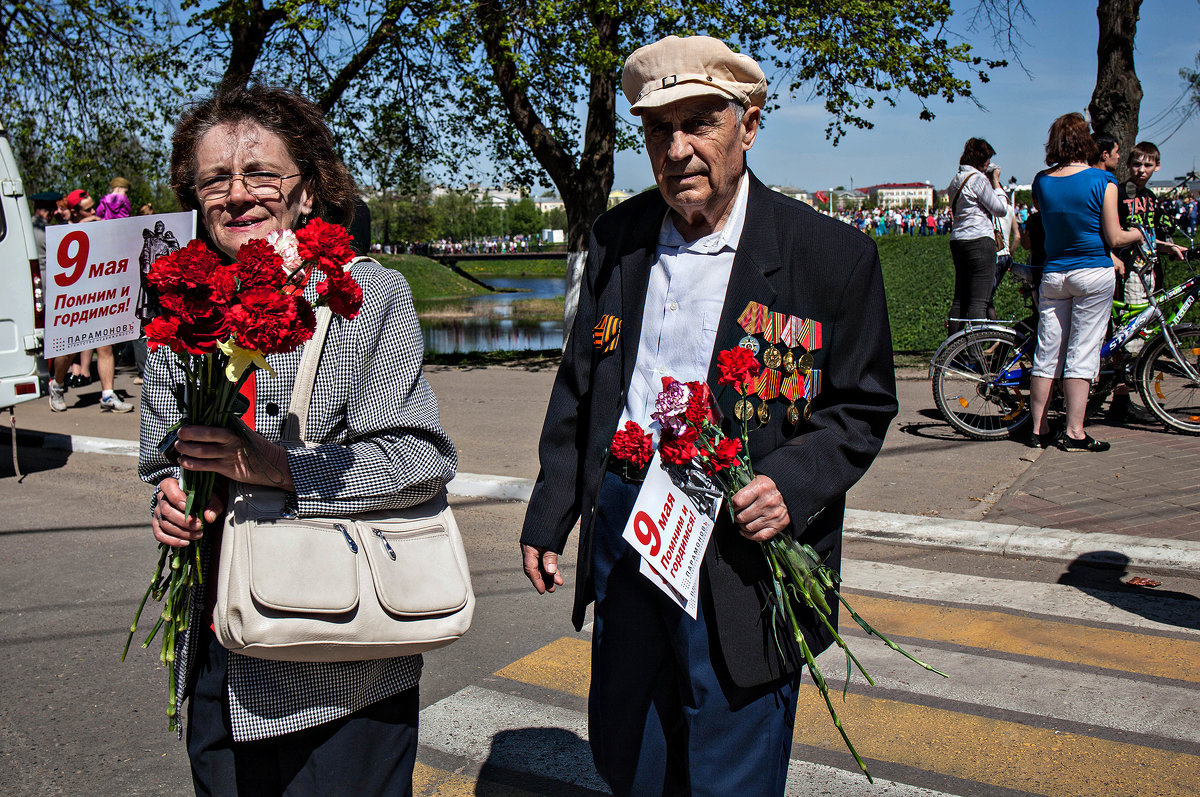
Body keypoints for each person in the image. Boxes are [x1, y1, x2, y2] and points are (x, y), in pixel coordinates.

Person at [518, 35, 897, 796]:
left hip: (741, 544)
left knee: (731, 759)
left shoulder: (829, 256)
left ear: (748, 126)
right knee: (632, 748)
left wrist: (793, 481)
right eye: (660, 130)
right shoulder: (619, 238)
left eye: (701, 123)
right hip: (629, 522)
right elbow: (582, 383)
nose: (679, 148)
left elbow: (862, 402)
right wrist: (550, 508)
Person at [139, 82, 457, 796]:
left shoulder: (365, 298)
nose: (237, 194)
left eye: (262, 174)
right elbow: (162, 449)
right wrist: (169, 498)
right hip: (223, 647)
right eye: (215, 178)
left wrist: (279, 466)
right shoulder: (179, 298)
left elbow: (421, 460)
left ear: (308, 191)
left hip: (341, 658)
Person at [1027, 113, 1144, 452]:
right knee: (1082, 352)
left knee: (1047, 352)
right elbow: (1114, 235)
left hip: (1054, 272)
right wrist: (1138, 233)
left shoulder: (1042, 181)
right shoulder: (1102, 180)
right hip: (1092, 270)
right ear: (1087, 141)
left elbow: (1045, 216)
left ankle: (1039, 428)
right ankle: (1074, 431)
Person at [45, 190, 134, 412]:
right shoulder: (63, 232)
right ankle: (57, 385)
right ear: (74, 212)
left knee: (105, 346)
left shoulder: (100, 227)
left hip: (98, 298)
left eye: (94, 207)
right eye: (88, 209)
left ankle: (107, 394)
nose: (94, 212)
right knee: (67, 354)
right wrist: (84, 227)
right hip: (73, 302)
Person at [946, 138, 1008, 333]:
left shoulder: (956, 180)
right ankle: (974, 355)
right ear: (981, 159)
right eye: (988, 159)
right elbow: (1000, 209)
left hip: (958, 240)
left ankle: (953, 349)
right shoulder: (978, 179)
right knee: (979, 302)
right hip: (979, 240)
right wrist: (996, 183)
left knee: (960, 300)